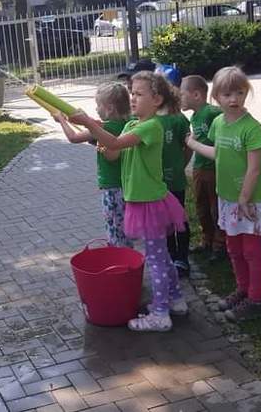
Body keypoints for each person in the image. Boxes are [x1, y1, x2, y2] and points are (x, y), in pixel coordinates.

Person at [70, 71, 188, 332]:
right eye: (132, 93)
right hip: (139, 200)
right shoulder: (131, 124)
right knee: (161, 255)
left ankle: (160, 313)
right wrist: (97, 134)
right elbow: (113, 152)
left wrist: (89, 123)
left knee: (155, 259)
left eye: (139, 94)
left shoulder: (151, 126)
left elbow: (114, 142)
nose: (132, 98)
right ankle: (176, 299)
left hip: (149, 202)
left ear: (157, 100)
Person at [186, 66, 261, 322]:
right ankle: (243, 289)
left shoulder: (252, 128)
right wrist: (192, 143)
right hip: (228, 199)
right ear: (216, 97)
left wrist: (244, 198)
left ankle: (256, 299)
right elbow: (218, 153)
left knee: (252, 252)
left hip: (250, 202)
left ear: (246, 93)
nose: (234, 99)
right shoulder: (218, 123)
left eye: (239, 92)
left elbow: (255, 168)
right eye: (227, 94)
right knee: (233, 249)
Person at [53, 82, 131, 246]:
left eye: (98, 105)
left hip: (111, 187)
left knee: (114, 229)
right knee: (125, 228)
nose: (96, 109)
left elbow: (73, 137)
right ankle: (127, 254)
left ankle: (119, 257)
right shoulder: (130, 123)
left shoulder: (105, 128)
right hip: (129, 186)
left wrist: (61, 120)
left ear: (109, 108)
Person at [180, 75, 225, 261]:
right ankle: (207, 239)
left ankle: (220, 244)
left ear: (196, 95)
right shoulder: (195, 116)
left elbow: (225, 117)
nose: (180, 99)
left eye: (182, 94)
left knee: (216, 207)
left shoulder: (210, 112)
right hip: (199, 168)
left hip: (213, 169)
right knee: (201, 205)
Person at [156, 87, 193, 277]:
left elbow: (188, 147)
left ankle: (182, 258)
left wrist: (181, 165)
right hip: (157, 183)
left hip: (175, 181)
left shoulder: (178, 120)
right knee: (165, 222)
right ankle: (171, 256)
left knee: (180, 218)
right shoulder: (148, 120)